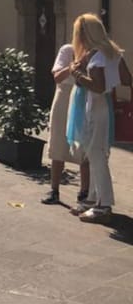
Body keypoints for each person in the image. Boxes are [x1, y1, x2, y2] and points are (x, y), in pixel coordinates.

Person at [68, 13, 127, 223]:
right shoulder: (112, 53)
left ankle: (104, 204)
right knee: (95, 154)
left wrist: (77, 74)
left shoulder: (97, 58)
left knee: (97, 155)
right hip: (105, 108)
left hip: (96, 108)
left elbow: (98, 87)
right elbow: (127, 79)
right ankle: (94, 198)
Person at [42, 42, 90, 206]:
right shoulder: (67, 50)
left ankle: (84, 193)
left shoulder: (95, 53)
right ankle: (54, 190)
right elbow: (57, 77)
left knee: (84, 146)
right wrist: (73, 66)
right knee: (58, 143)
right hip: (63, 99)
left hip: (83, 99)